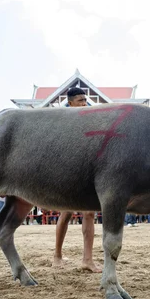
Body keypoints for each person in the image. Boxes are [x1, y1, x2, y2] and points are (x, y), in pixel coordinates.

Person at [53, 87, 101, 272]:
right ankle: (57, 254)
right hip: (68, 173)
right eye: (80, 100)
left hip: (87, 171)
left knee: (89, 213)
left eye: (85, 100)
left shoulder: (90, 119)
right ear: (70, 102)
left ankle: (87, 259)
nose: (84, 103)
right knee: (66, 213)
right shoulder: (62, 120)